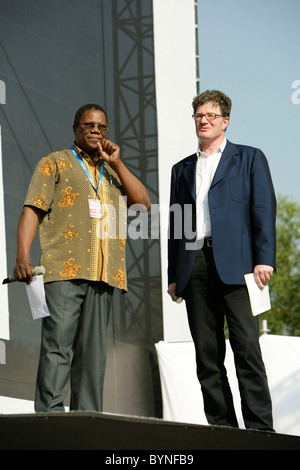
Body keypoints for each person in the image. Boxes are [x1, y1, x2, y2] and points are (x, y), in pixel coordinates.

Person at [13, 103, 151, 412]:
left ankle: (86, 421)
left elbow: (143, 204)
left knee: (93, 356)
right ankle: (50, 416)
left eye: (102, 127)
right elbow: (31, 211)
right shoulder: (55, 163)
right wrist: (23, 255)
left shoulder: (113, 172)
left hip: (104, 275)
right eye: (89, 125)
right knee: (58, 347)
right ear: (76, 129)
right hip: (64, 270)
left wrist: (117, 163)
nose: (95, 131)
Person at [167, 90, 276, 431]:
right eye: (199, 115)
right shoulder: (181, 169)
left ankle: (261, 430)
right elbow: (176, 223)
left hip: (241, 267)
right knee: (207, 358)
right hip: (194, 266)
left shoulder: (249, 158)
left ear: (225, 121)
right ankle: (223, 430)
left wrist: (264, 259)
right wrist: (174, 274)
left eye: (211, 115)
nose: (204, 121)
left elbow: (263, 210)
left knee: (247, 350)